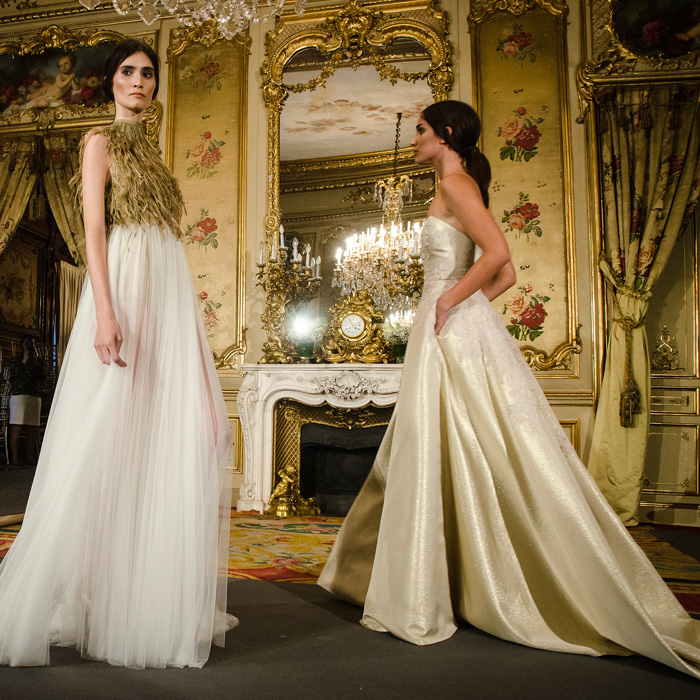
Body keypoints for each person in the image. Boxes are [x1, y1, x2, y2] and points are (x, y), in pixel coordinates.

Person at [318, 100, 700, 679]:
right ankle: (432, 577)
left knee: (459, 444)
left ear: (444, 134)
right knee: (437, 445)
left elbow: (500, 257)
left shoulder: (456, 183)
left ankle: (445, 584)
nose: (413, 139)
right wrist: (466, 312)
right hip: (445, 326)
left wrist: (448, 303)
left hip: (442, 322)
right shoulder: (452, 183)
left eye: (419, 130)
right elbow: (505, 277)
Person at [0, 39, 237, 668]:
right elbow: (96, 231)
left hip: (166, 289)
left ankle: (138, 590)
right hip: (125, 286)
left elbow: (170, 249)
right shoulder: (99, 143)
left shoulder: (155, 153)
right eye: (129, 73)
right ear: (111, 84)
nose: (139, 81)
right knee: (105, 439)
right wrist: (104, 312)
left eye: (148, 74)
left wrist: (188, 335)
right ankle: (90, 592)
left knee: (183, 434)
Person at [7, 336, 45, 465]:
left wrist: (35, 363)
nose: (29, 346)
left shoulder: (38, 361)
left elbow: (43, 377)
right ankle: (15, 458)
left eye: (32, 344)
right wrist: (24, 361)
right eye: (27, 344)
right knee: (16, 426)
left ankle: (30, 457)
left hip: (34, 395)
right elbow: (12, 376)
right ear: (22, 345)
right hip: (19, 395)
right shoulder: (16, 360)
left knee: (31, 428)